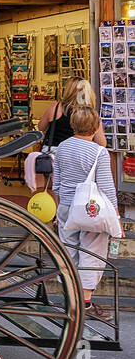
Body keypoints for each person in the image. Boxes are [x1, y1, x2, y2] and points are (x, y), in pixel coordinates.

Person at [53, 106, 118, 323]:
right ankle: (86, 302)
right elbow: (107, 187)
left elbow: (57, 182)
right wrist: (115, 214)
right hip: (91, 209)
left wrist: (60, 204)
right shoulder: (99, 152)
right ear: (96, 126)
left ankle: (70, 298)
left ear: (73, 124)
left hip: (67, 207)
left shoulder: (62, 147)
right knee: (92, 252)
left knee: (68, 250)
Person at [38, 78, 104, 148]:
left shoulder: (56, 107)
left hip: (54, 151)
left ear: (68, 91)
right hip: (78, 152)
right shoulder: (90, 114)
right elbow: (101, 142)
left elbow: (41, 127)